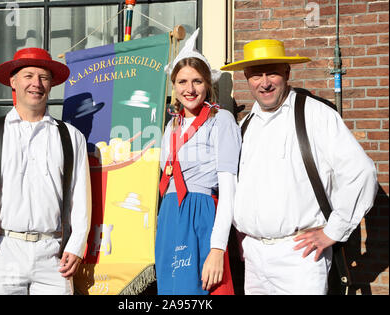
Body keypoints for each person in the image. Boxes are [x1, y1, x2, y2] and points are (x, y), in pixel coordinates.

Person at [221, 39, 378, 295]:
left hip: (299, 256)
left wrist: (334, 231)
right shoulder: (246, 126)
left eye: (272, 72)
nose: (265, 82)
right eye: (255, 74)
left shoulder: (316, 115)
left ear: (287, 73)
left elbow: (361, 172)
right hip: (253, 257)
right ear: (246, 78)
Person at [0, 48, 92, 295]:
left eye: (44, 77)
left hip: (54, 255)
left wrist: (76, 245)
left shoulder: (71, 137)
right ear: (13, 81)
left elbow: (80, 197)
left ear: (51, 85)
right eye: (28, 75)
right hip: (3, 250)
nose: (36, 84)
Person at [156, 29, 242, 295]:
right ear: (174, 85)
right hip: (170, 218)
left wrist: (217, 249)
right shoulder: (171, 125)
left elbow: (229, 192)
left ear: (208, 84)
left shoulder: (222, 120)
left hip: (202, 216)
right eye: (182, 82)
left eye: (197, 81)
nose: (189, 89)